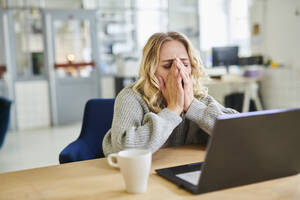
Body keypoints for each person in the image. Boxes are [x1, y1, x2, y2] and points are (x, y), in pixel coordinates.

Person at [102, 32, 238, 156]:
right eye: (167, 66)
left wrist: (192, 106)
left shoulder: (197, 96)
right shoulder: (130, 97)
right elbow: (124, 150)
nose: (177, 72)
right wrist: (174, 108)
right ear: (151, 69)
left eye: (185, 64)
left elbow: (239, 132)